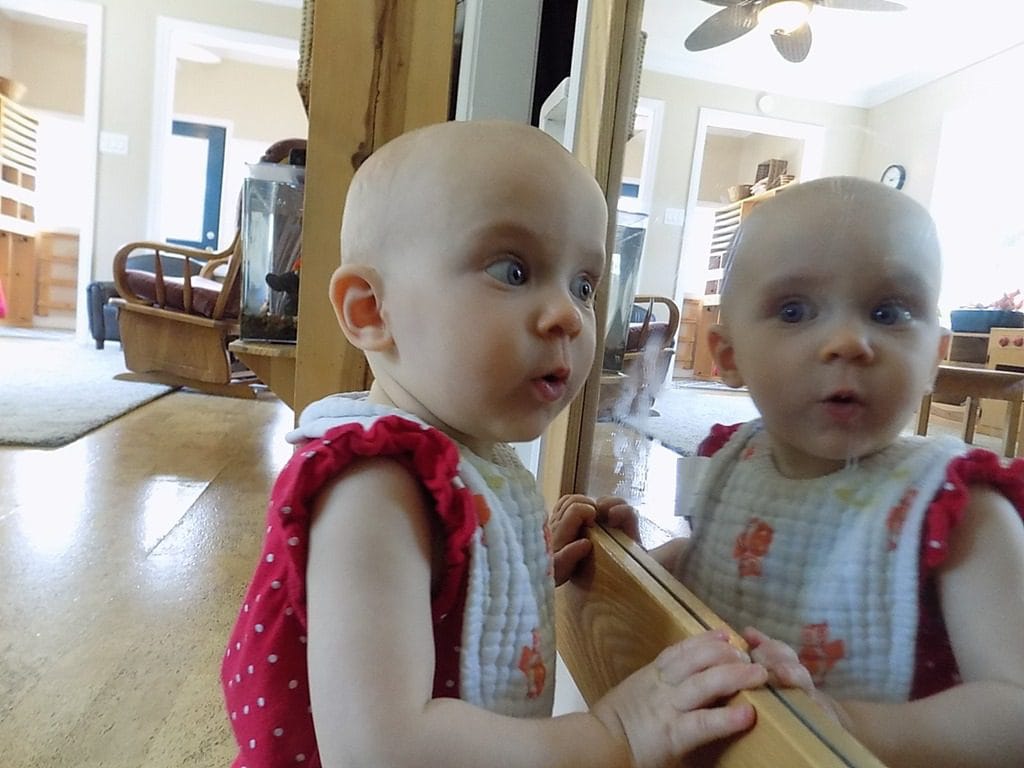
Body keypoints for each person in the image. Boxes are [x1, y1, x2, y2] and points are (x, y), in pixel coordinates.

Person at [220, 120, 772, 768]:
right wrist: (615, 734)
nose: (568, 315)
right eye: (513, 270)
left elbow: (441, 601)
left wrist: (526, 563)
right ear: (371, 311)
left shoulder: (471, 455)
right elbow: (379, 750)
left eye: (584, 285)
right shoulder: (373, 488)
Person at [560, 176, 1024, 767]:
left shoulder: (956, 507)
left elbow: (1013, 710)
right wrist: (636, 565)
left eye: (888, 312)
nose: (848, 342)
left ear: (935, 355)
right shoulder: (731, 460)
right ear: (729, 358)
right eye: (795, 311)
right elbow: (719, 559)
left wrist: (847, 725)